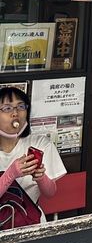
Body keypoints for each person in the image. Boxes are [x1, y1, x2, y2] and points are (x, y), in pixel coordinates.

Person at [0, 86, 66, 225]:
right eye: (7, 108)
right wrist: (11, 173)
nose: (15, 113)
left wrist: (40, 177)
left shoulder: (41, 144)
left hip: (30, 222)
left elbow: (50, 193)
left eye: (21, 106)